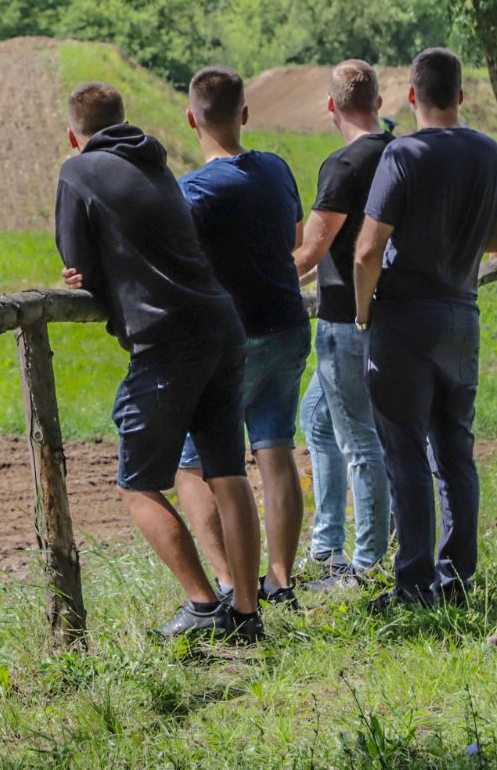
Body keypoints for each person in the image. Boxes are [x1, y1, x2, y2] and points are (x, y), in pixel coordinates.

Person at [55, 81, 264, 642]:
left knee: (138, 484)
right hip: (221, 322)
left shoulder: (78, 171)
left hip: (167, 337)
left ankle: (202, 606)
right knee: (227, 472)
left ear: (75, 135)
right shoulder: (157, 163)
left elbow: (77, 260)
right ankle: (247, 614)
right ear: (124, 120)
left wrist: (87, 274)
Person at [354, 49, 497, 608]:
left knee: (405, 454)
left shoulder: (403, 153)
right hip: (461, 315)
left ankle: (413, 584)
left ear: (411, 96)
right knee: (455, 454)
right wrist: (458, 237)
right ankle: (457, 580)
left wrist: (363, 312)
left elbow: (367, 251)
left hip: (404, 318)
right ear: (461, 95)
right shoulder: (491, 153)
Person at [173, 66, 310, 607]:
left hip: (232, 339)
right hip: (288, 326)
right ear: (245, 114)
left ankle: (232, 586)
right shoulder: (276, 169)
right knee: (275, 451)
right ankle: (280, 580)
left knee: (191, 466)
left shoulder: (191, 191)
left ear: (191, 119)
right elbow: (294, 240)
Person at [291, 60, 393, 588]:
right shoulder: (399, 152)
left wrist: (254, 279)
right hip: (390, 313)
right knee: (316, 419)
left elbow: (310, 252)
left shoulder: (344, 164)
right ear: (379, 102)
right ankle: (327, 545)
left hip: (344, 319)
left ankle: (367, 564)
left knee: (360, 442)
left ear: (331, 106)